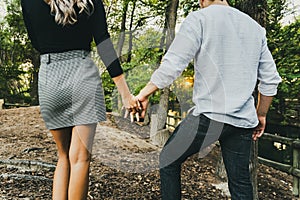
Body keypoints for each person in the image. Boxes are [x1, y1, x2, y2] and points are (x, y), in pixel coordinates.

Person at [134, 0, 282, 199]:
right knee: (240, 183)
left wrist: (145, 92)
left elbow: (173, 64)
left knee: (169, 159)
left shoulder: (199, 19)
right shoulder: (254, 28)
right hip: (242, 121)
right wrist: (261, 114)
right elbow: (270, 80)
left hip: (209, 117)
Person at [21, 0, 138, 199]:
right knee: (80, 159)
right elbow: (103, 43)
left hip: (50, 77)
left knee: (63, 156)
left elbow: (36, 43)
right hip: (83, 75)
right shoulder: (90, 2)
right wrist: (126, 94)